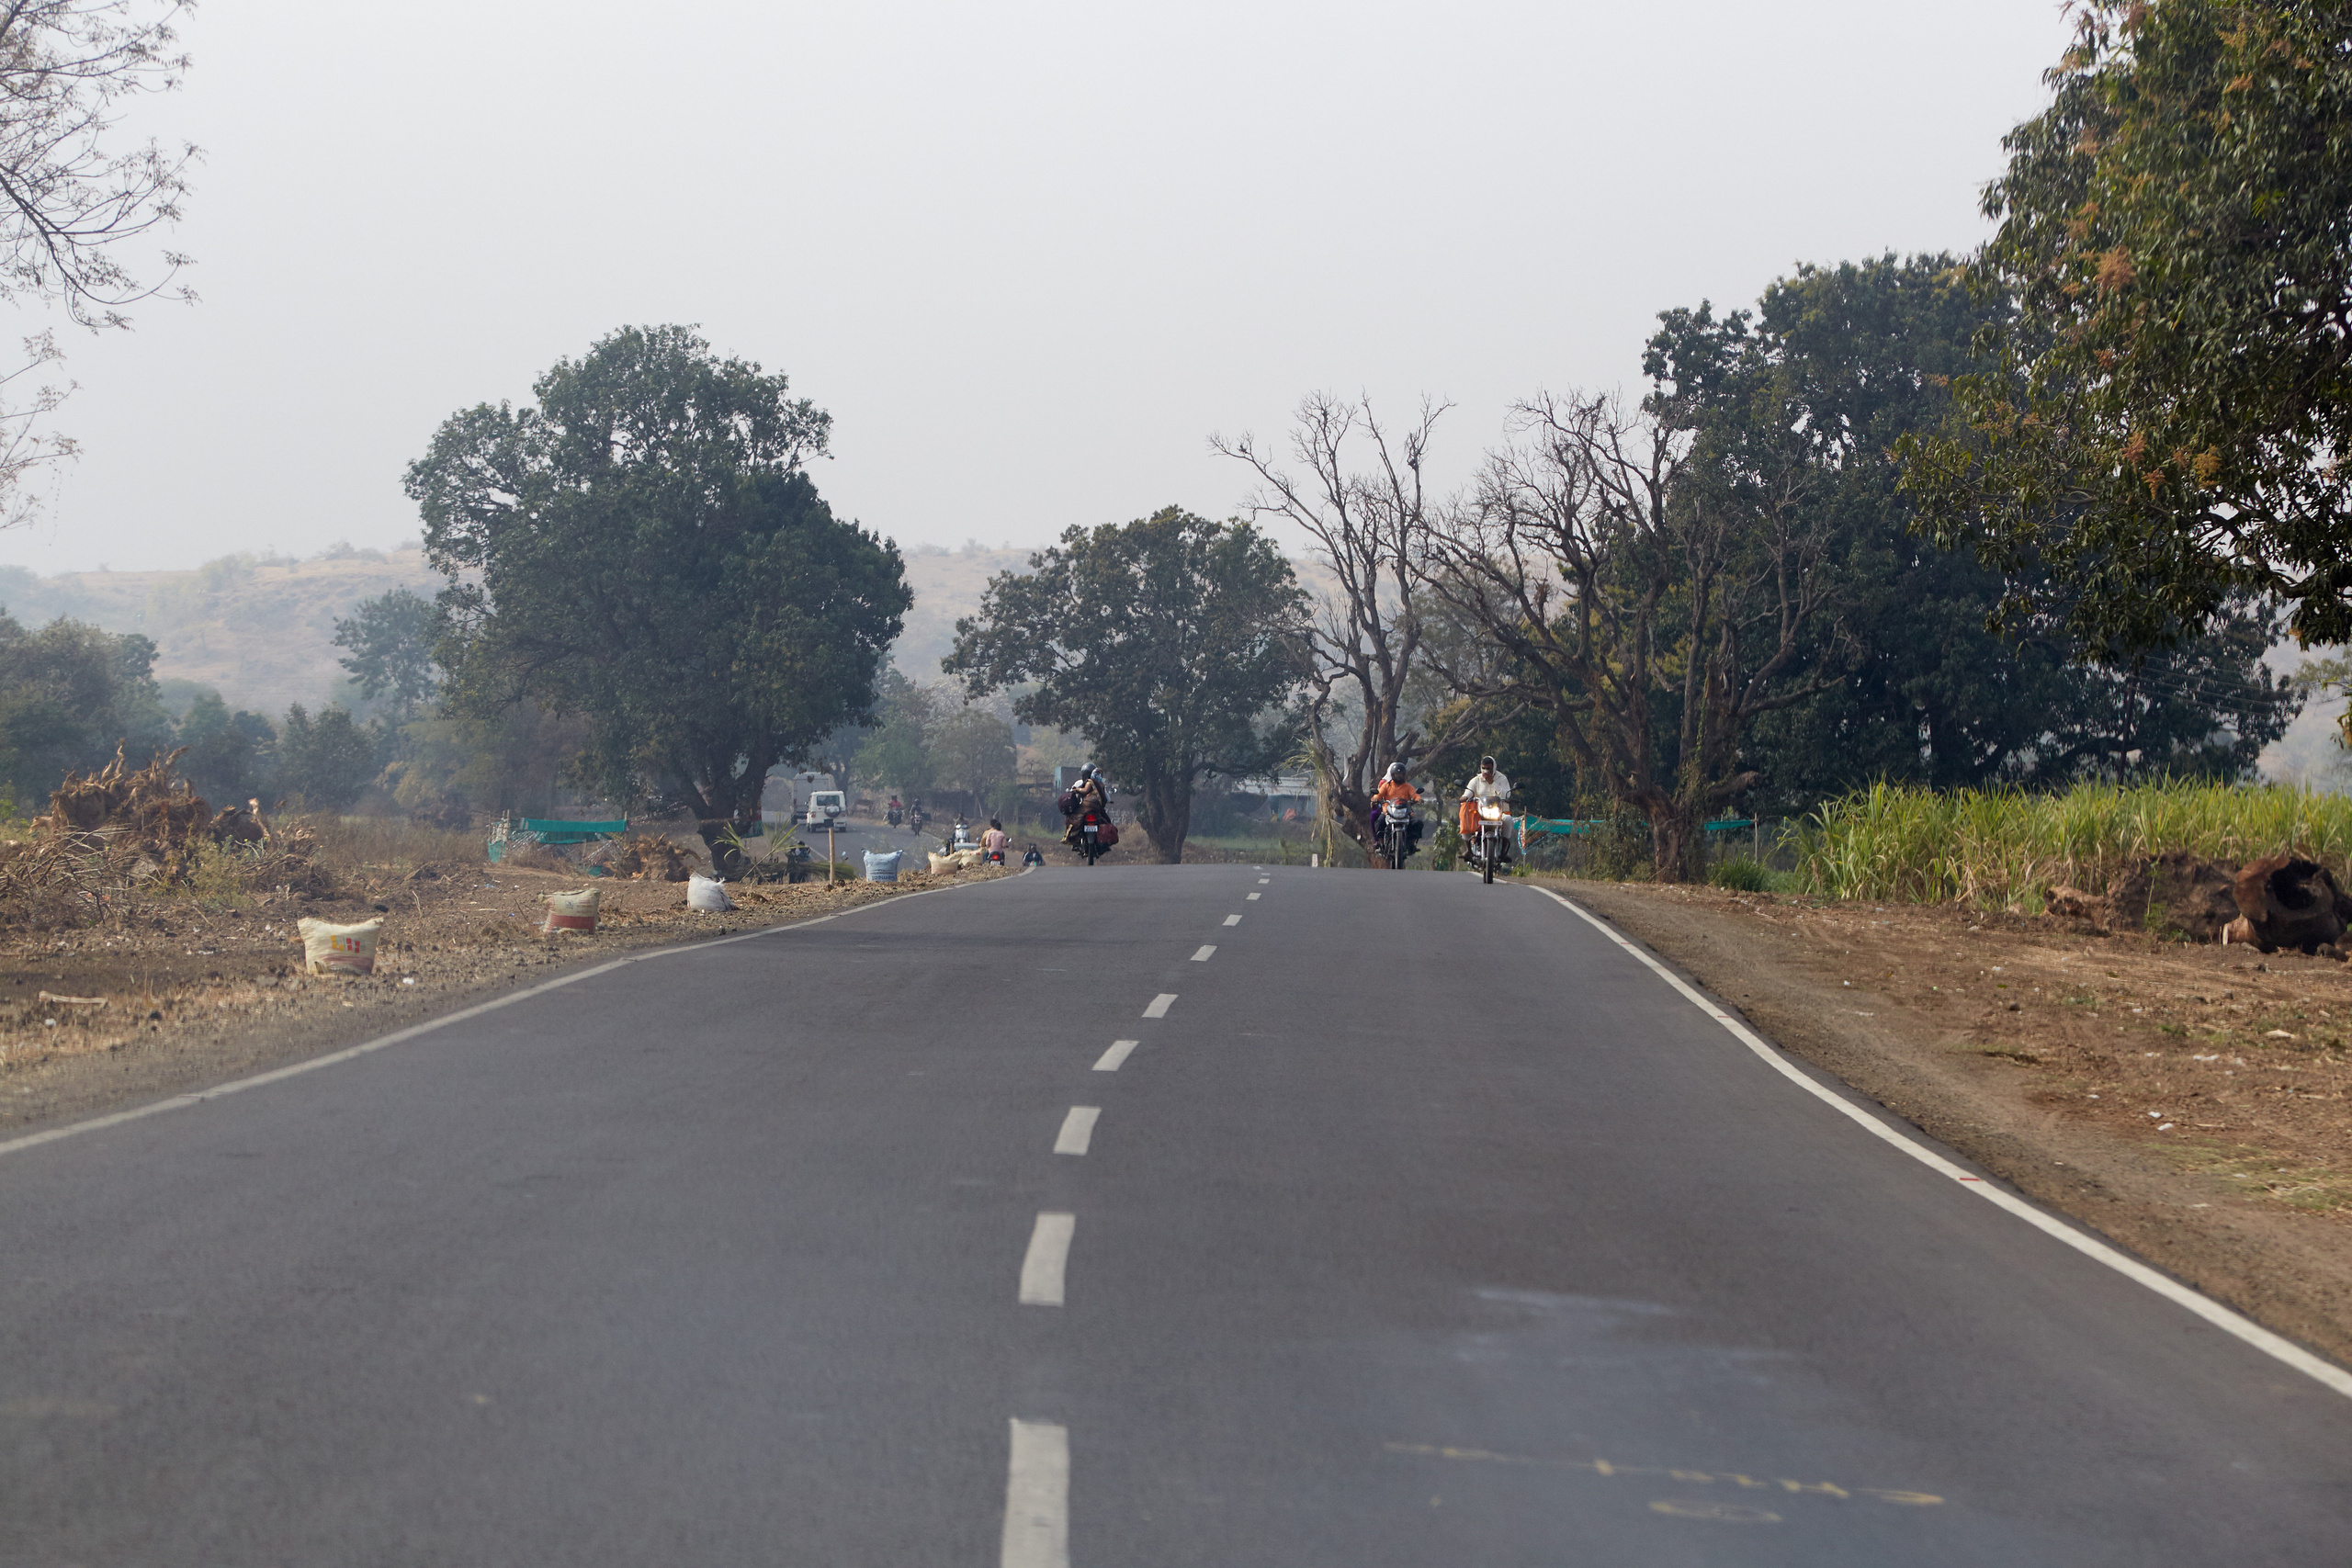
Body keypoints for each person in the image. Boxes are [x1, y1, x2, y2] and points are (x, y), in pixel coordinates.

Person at [1371, 762, 1423, 852]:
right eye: (1397, 774)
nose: (1399, 776)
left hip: (1406, 812)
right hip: (1388, 811)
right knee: (1379, 822)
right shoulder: (1387, 785)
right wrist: (1375, 798)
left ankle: (1412, 844)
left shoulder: (1408, 786)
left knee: (1418, 823)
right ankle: (1381, 843)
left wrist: (1418, 799)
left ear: (1404, 775)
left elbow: (1415, 795)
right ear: (1392, 775)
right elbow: (1378, 795)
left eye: (1401, 774)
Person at [1458, 755, 1512, 841]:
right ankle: (1468, 849)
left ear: (1494, 768)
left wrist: (1492, 783)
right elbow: (1468, 793)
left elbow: (1506, 796)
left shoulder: (1502, 779)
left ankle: (1503, 851)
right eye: (1483, 768)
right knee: (1465, 815)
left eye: (1488, 768)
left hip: (1499, 813)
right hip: (1479, 814)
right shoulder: (1476, 780)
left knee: (1508, 819)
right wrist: (1464, 797)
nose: (1485, 771)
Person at [1061, 765, 1109, 848]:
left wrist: (1077, 790)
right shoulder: (1101, 784)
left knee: (1072, 819)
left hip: (1085, 807)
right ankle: (1105, 843)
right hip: (1097, 809)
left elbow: (1077, 791)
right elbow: (1107, 798)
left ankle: (1069, 837)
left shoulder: (1084, 783)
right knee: (1106, 821)